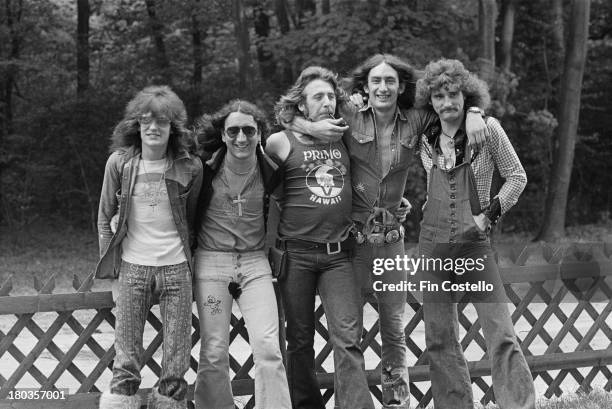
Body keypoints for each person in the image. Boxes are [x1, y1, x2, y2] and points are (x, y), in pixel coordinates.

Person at [287, 54, 488, 409]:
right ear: (365, 86)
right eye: (376, 81)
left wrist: (475, 112)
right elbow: (287, 113)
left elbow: (453, 102)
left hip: (391, 241)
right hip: (352, 242)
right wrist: (311, 128)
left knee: (393, 329)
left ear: (401, 86)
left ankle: (397, 402)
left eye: (390, 81)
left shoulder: (417, 118)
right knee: (348, 332)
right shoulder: (348, 113)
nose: (383, 87)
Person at [415, 58, 535, 409]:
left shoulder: (487, 129)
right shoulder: (426, 135)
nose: (446, 103)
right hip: (433, 245)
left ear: (465, 95)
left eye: (453, 95)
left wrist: (490, 214)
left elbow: (517, 176)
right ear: (431, 100)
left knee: (501, 333)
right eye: (438, 96)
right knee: (439, 338)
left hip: (474, 245)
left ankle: (519, 404)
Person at [266, 66, 375, 409]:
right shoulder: (280, 142)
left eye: (331, 96)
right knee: (299, 340)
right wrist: (307, 127)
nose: (327, 102)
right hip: (295, 255)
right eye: (318, 97)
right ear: (301, 105)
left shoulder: (344, 136)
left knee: (347, 338)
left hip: (338, 255)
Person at [96, 85, 203, 409]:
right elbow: (104, 220)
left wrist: (190, 269)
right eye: (146, 121)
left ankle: (169, 403)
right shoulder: (120, 164)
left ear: (173, 128)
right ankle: (121, 403)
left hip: (176, 270)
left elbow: (194, 223)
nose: (153, 128)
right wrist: (113, 274)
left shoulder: (191, 167)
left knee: (176, 362)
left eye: (162, 121)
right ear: (137, 125)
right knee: (125, 359)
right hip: (132, 267)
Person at [191, 100, 290, 409]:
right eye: (233, 131)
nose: (241, 138)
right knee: (214, 349)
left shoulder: (271, 169)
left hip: (254, 261)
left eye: (249, 130)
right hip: (211, 261)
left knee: (268, 347)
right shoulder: (203, 167)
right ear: (222, 134)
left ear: (260, 133)